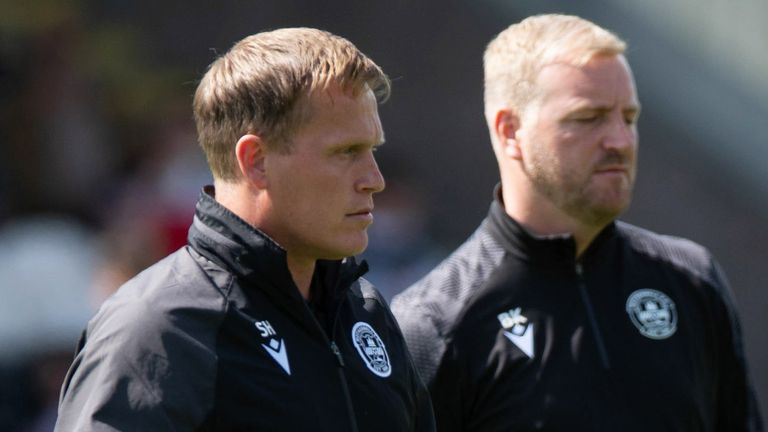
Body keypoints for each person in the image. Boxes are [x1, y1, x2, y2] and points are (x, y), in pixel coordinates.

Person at [391, 14, 763, 432]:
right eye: (589, 118)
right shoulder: (434, 325)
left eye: (630, 117)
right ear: (510, 130)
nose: (620, 141)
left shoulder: (691, 280)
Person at [55, 28, 434, 431]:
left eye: (371, 151)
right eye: (345, 152)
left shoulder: (366, 315)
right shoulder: (157, 329)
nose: (375, 180)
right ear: (256, 161)